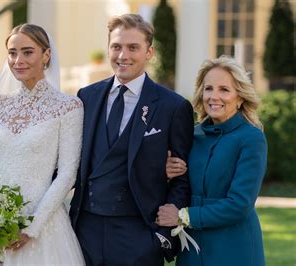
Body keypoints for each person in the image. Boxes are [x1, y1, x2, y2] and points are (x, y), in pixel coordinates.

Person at [0, 23, 85, 265]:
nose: (18, 60)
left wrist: (31, 226)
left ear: (46, 55)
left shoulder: (69, 107)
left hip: (43, 228)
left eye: (27, 51)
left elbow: (67, 174)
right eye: (12, 53)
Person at [69, 13, 194, 266]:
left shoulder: (173, 106)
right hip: (84, 231)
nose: (123, 55)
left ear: (149, 53)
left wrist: (161, 237)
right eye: (116, 47)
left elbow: (182, 180)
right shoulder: (87, 96)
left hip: (138, 234)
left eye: (133, 47)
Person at [158, 56, 267, 266]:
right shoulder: (193, 135)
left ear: (240, 97)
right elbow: (182, 185)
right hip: (192, 249)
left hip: (234, 247)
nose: (214, 96)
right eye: (209, 88)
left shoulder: (251, 138)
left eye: (224, 90)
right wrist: (167, 173)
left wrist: (183, 216)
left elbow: (239, 204)